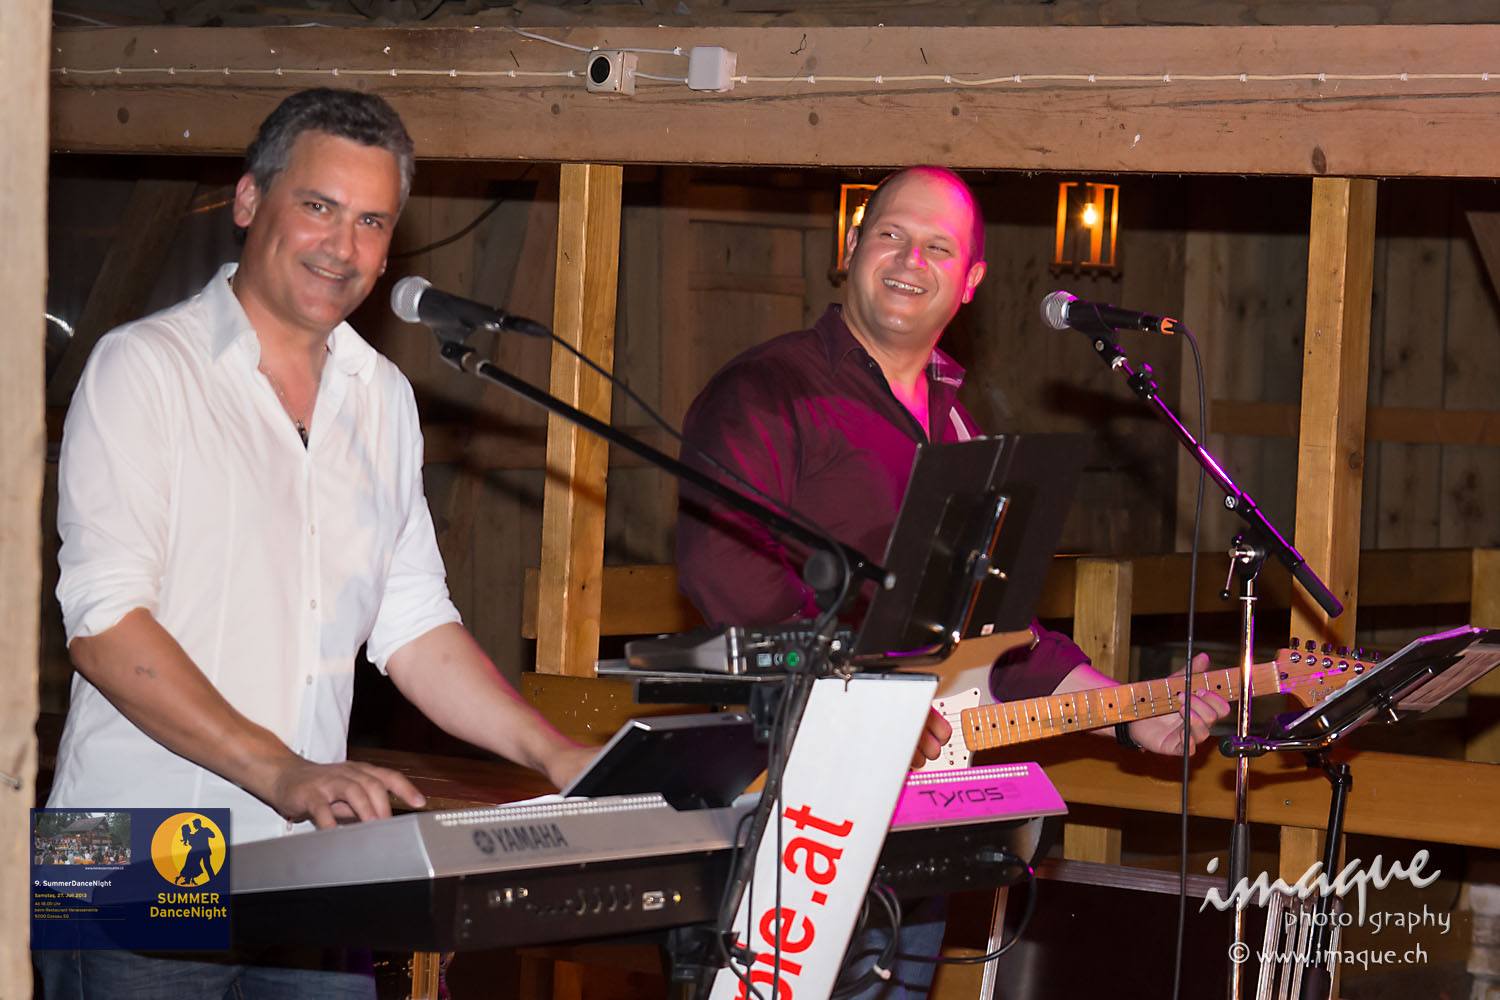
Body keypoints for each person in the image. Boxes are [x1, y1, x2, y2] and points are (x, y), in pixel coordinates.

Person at [39, 88, 596, 998]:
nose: (342, 245)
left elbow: (413, 625)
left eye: (371, 221)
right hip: (127, 856)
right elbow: (103, 625)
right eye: (318, 206)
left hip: (308, 857)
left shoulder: (383, 398)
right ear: (249, 200)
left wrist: (554, 754)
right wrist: (285, 772)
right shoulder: (142, 368)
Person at [675, 165, 1231, 997]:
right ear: (851, 247)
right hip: (791, 815)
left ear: (969, 282)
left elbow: (998, 630)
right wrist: (865, 701)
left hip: (916, 830)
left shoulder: (957, 420)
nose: (911, 260)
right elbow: (726, 569)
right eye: (891, 235)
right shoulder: (765, 392)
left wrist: (1128, 714)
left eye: (939, 248)